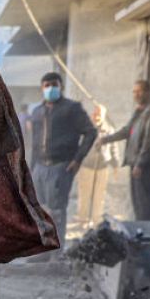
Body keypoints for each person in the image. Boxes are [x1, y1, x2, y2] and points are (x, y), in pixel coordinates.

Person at [29, 72, 97, 245]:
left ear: (61, 87)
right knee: (39, 210)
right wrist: (30, 168)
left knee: (57, 211)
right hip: (39, 168)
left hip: (61, 167)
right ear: (42, 88)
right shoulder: (37, 112)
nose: (50, 88)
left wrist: (77, 159)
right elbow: (34, 143)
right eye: (46, 85)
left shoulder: (72, 108)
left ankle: (57, 251)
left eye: (54, 84)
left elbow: (91, 132)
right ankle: (42, 249)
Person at [99, 80, 150, 220]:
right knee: (137, 204)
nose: (136, 95)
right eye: (134, 92)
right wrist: (106, 139)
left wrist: (140, 163)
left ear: (148, 92)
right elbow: (126, 131)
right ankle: (140, 232)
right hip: (135, 165)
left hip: (146, 168)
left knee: (146, 205)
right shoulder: (139, 113)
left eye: (139, 91)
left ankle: (146, 234)